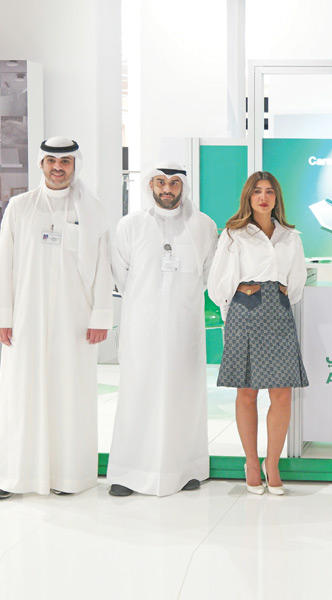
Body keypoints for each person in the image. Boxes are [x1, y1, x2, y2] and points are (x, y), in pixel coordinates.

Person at [0, 137, 113, 499]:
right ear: (41, 164)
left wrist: (100, 316)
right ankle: (17, 475)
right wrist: (4, 315)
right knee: (22, 392)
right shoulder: (20, 207)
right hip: (26, 317)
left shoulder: (92, 210)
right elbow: (5, 263)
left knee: (70, 392)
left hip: (74, 319)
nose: (58, 168)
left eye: (65, 162)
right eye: (51, 161)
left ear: (75, 165)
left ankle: (69, 476)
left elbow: (103, 267)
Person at [106, 164, 219, 497]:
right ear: (150, 185)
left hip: (184, 326)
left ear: (183, 186)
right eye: (160, 182)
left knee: (183, 395)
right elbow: (121, 274)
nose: (166, 189)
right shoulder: (131, 225)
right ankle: (129, 473)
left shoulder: (203, 225)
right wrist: (148, 302)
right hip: (142, 326)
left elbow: (207, 274)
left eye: (173, 183)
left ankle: (184, 469)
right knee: (138, 394)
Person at [208, 171, 308, 496]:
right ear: (248, 197)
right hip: (244, 311)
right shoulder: (233, 234)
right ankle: (251, 463)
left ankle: (272, 464)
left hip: (278, 313)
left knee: (282, 393)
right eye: (257, 192)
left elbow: (296, 284)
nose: (263, 198)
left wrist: (275, 297)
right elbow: (217, 284)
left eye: (269, 192)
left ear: (277, 197)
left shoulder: (290, 237)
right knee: (247, 391)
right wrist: (235, 312)